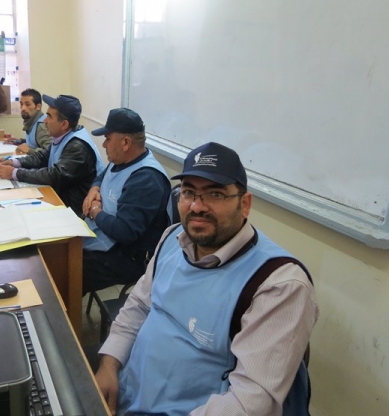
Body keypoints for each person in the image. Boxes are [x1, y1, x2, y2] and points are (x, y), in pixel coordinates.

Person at [95, 142, 319, 416]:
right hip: (125, 393)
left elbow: (249, 402)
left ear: (245, 204)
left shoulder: (277, 284)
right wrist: (109, 364)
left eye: (215, 194)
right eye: (188, 192)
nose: (197, 206)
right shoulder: (172, 239)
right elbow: (138, 307)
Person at [81, 108, 170, 293]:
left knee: (67, 270)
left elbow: (125, 231)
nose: (104, 144)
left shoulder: (146, 178)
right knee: (61, 253)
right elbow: (102, 176)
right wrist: (94, 190)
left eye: (108, 139)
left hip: (129, 257)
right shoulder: (121, 161)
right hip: (107, 238)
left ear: (126, 143)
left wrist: (95, 211)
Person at [0, 94, 105, 216]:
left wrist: (14, 173)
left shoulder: (77, 147)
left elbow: (54, 175)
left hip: (74, 211)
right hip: (61, 198)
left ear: (64, 124)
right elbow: (42, 157)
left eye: (49, 116)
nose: (44, 121)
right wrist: (15, 162)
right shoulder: (63, 136)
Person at [6, 88, 52, 154]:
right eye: (21, 104)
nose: (23, 108)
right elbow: (35, 143)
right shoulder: (32, 120)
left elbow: (50, 152)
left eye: (27, 104)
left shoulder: (42, 126)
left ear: (38, 107)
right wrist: (20, 141)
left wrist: (29, 150)